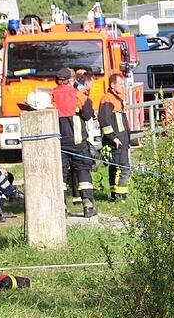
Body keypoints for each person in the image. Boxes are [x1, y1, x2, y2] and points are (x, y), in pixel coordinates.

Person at [52, 68, 97, 217]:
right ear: (71, 80)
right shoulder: (78, 95)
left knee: (61, 176)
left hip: (59, 143)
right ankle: (88, 205)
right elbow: (88, 115)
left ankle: (62, 207)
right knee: (83, 171)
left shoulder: (52, 95)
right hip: (78, 142)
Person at [99, 73, 131, 201]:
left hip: (121, 139)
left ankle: (115, 195)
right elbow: (104, 120)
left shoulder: (116, 98)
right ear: (113, 85)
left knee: (115, 168)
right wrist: (113, 137)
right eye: (120, 84)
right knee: (123, 169)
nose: (123, 87)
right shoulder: (108, 99)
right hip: (117, 140)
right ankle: (120, 196)